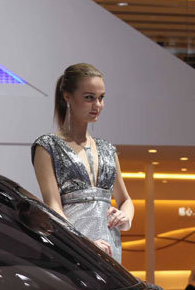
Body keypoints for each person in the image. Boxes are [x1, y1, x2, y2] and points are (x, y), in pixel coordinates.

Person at [31, 63, 134, 263]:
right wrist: (84, 243)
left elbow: (125, 200)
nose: (97, 105)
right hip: (71, 250)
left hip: (110, 250)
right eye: (89, 98)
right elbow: (53, 206)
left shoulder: (107, 149)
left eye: (101, 98)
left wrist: (125, 217)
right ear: (67, 97)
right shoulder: (47, 146)